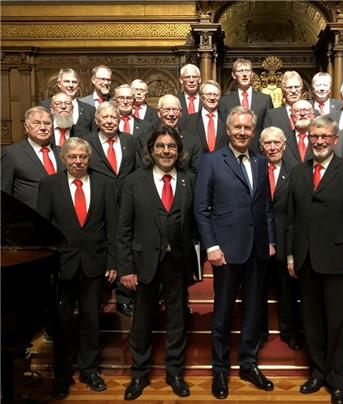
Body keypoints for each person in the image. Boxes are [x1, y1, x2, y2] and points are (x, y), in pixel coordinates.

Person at [286, 115, 343, 404]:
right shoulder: (298, 172)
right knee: (311, 321)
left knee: (338, 322)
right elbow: (291, 219)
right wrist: (290, 254)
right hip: (306, 259)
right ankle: (318, 372)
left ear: (335, 139)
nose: (319, 141)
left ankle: (338, 380)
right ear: (308, 139)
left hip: (339, 259)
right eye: (314, 137)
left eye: (325, 136)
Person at [194, 106, 276, 399]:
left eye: (247, 128)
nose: (242, 132)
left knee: (254, 311)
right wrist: (212, 246)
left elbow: (265, 206)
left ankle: (249, 363)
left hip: (257, 250)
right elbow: (201, 209)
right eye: (237, 128)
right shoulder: (212, 161)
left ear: (253, 132)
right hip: (225, 252)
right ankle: (220, 369)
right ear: (227, 130)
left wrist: (271, 240)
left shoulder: (260, 161)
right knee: (224, 313)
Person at [118, 126, 197, 400]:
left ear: (179, 151)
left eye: (172, 146)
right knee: (141, 322)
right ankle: (139, 374)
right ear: (151, 150)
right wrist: (126, 268)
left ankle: (174, 372)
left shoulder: (190, 180)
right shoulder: (133, 181)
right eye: (161, 146)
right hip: (143, 263)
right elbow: (123, 229)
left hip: (178, 262)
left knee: (177, 320)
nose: (167, 151)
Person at [37, 137, 118, 400]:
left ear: (89, 158)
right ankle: (62, 375)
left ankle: (89, 370)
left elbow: (113, 227)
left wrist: (113, 261)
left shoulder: (105, 183)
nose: (78, 161)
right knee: (61, 324)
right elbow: (43, 229)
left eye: (83, 156)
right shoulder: (49, 185)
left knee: (91, 320)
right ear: (64, 159)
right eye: (72, 156)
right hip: (62, 266)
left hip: (95, 265)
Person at [85, 102, 140, 317]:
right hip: (98, 204)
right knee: (101, 248)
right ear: (97, 120)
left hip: (127, 204)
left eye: (113, 118)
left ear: (119, 120)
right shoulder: (88, 142)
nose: (109, 121)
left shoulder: (130, 141)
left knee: (126, 247)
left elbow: (136, 170)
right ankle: (100, 295)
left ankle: (125, 297)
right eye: (105, 117)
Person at [259, 126, 301, 351]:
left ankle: (290, 331)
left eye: (277, 142)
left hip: (286, 241)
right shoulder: (253, 168)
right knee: (257, 292)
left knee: (288, 292)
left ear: (285, 145)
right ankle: (260, 333)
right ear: (261, 146)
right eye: (268, 143)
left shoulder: (295, 171)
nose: (272, 147)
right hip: (258, 241)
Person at [2, 106, 64, 209]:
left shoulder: (63, 152)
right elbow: (4, 193)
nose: (43, 127)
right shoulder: (11, 154)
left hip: (62, 218)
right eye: (37, 123)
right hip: (28, 219)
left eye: (47, 123)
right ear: (26, 127)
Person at [218, 58, 273, 142]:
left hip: (258, 150)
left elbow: (269, 129)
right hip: (233, 149)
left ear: (251, 74)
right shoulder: (224, 101)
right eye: (240, 71)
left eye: (247, 71)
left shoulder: (265, 100)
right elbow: (223, 130)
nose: (244, 74)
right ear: (233, 75)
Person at [151, 94, 202, 173]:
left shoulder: (193, 140)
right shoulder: (146, 138)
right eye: (167, 110)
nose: (171, 114)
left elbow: (196, 171)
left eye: (175, 110)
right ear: (158, 112)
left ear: (180, 112)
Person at [182, 80, 228, 153]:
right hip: (198, 163)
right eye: (208, 94)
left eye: (216, 95)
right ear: (201, 97)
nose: (212, 98)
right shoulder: (188, 121)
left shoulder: (228, 120)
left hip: (222, 163)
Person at [282, 100, 314, 168]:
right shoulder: (283, 139)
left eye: (306, 110)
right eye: (297, 111)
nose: (302, 113)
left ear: (313, 115)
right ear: (291, 117)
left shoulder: (321, 139)